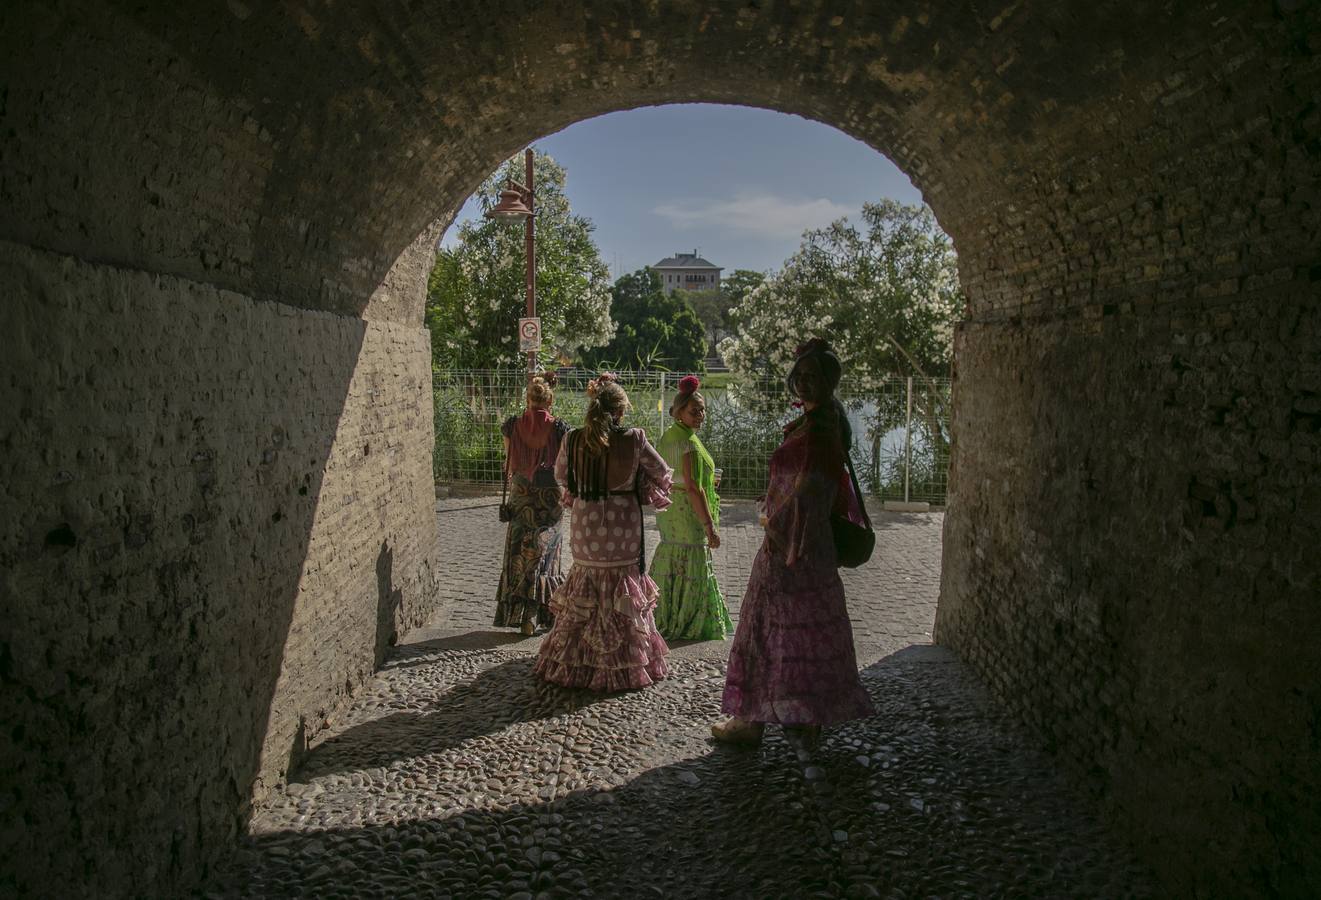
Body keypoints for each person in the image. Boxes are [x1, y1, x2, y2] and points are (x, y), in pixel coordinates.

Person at [713, 339, 875, 748]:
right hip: (811, 544)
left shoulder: (820, 429)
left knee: (767, 626)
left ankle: (751, 719)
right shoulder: (824, 422)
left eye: (812, 377)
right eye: (799, 376)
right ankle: (803, 714)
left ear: (829, 381)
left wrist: (773, 518)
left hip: (792, 542)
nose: (803, 384)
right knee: (803, 628)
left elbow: (807, 491)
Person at [534, 373, 674, 691]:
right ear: (621, 411)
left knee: (586, 587)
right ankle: (628, 663)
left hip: (587, 527)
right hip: (624, 528)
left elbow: (561, 477)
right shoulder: (635, 439)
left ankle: (572, 661)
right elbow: (662, 473)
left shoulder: (572, 439)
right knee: (623, 587)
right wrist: (637, 483)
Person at [651, 375, 733, 641]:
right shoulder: (689, 444)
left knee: (672, 558)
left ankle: (663, 614)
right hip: (687, 511)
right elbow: (695, 489)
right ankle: (689, 620)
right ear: (679, 411)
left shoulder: (668, 436)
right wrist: (710, 528)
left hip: (670, 508)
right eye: (694, 410)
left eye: (703, 410)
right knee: (692, 562)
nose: (701, 415)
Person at [494, 372, 570, 636]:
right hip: (550, 499)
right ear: (550, 402)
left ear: (527, 400)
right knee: (545, 553)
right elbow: (564, 466)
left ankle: (518, 612)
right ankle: (535, 614)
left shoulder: (511, 426)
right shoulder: (560, 428)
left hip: (521, 495)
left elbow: (509, 465)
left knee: (519, 553)